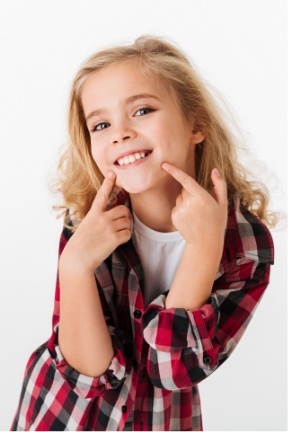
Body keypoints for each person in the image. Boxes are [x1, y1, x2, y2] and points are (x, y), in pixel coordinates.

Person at [11, 35, 275, 431]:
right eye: (101, 124)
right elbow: (88, 375)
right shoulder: (88, 222)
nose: (119, 133)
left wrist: (204, 248)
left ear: (196, 124)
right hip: (61, 415)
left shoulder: (245, 245)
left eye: (142, 110)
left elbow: (170, 372)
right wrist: (75, 267)